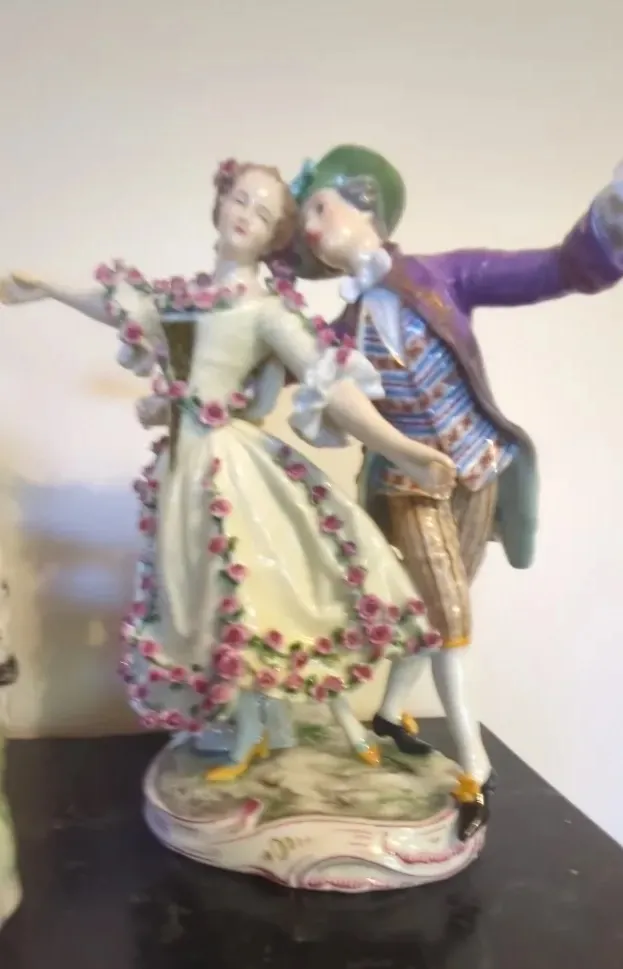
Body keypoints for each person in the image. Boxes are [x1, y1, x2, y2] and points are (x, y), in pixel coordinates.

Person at [0, 158, 455, 783]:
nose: (246, 215)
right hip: (182, 466)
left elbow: (332, 386)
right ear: (219, 203)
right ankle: (244, 723)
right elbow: (121, 306)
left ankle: (254, 731)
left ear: (274, 238)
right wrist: (50, 288)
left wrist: (403, 449)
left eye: (264, 214)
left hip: (227, 467)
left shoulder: (268, 312)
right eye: (241, 199)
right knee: (192, 599)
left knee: (242, 591)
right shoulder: (183, 298)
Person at [273, 144, 623, 840]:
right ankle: (474, 766)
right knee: (451, 618)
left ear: (366, 202)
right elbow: (277, 363)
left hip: (481, 469)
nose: (310, 228)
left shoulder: (444, 276)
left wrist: (612, 215)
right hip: (410, 487)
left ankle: (388, 713)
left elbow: (554, 269)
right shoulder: (337, 332)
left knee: (433, 612)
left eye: (319, 207)